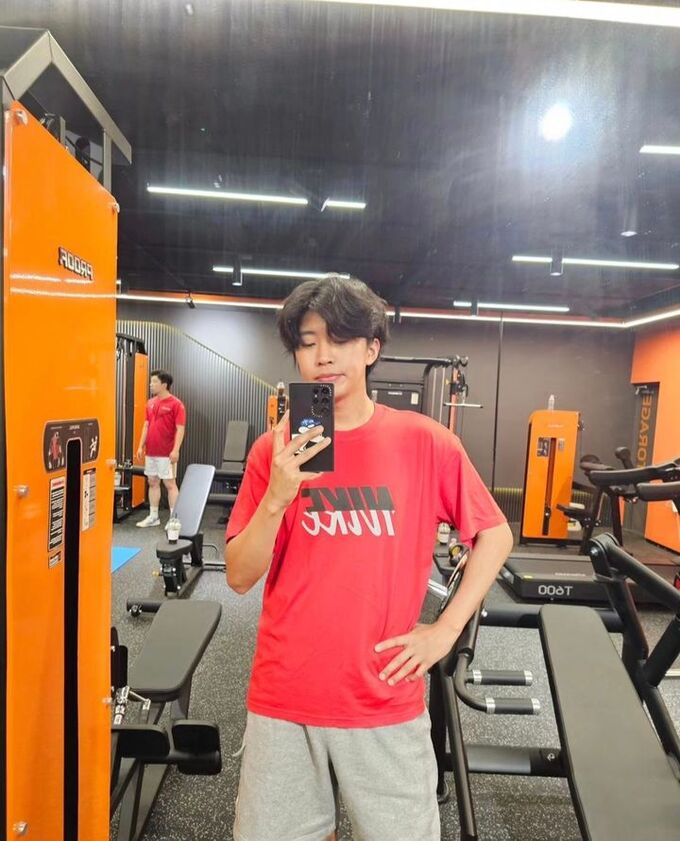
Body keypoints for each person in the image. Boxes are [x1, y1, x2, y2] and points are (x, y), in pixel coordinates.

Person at [225, 275, 513, 841]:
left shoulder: (424, 442)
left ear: (371, 349)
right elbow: (238, 575)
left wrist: (446, 631)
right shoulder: (274, 451)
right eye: (308, 343)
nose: (323, 356)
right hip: (286, 695)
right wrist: (278, 496)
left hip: (383, 695)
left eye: (340, 340)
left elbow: (495, 534)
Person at [135, 369, 186, 527]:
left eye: (154, 382)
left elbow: (180, 429)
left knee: (170, 484)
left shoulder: (176, 404)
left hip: (167, 453)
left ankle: (174, 519)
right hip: (151, 451)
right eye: (151, 382)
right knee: (152, 482)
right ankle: (153, 516)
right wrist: (140, 446)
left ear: (164, 385)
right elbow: (146, 425)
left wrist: (176, 450)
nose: (151, 384)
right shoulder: (150, 403)